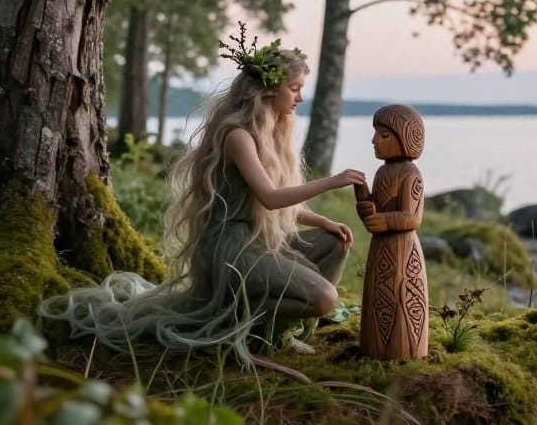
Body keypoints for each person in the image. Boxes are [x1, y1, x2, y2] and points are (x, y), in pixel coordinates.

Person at [39, 24, 365, 365]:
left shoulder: (274, 131)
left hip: (258, 238)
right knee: (325, 298)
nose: (299, 97)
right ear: (268, 89)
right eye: (294, 89)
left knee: (336, 241)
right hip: (232, 244)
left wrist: (322, 220)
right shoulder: (238, 134)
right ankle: (235, 319)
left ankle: (275, 331)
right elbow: (270, 197)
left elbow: (270, 202)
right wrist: (332, 181)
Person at [355, 104, 429, 360]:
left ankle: (406, 351)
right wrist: (364, 199)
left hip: (403, 249)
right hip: (381, 249)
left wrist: (386, 222)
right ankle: (373, 348)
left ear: (406, 139)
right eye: (376, 133)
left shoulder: (411, 174)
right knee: (378, 297)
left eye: (383, 135)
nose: (374, 140)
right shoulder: (382, 172)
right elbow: (377, 207)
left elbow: (413, 217)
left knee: (401, 297)